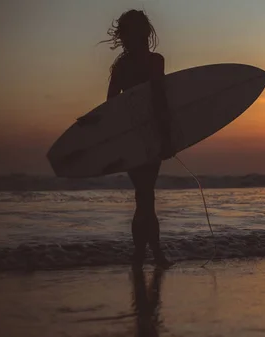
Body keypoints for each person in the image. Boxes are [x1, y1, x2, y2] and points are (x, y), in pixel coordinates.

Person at [101, 9, 175, 268]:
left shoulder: (123, 66)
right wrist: (167, 139)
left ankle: (143, 254)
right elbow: (159, 101)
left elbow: (112, 103)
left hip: (136, 137)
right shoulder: (155, 61)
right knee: (145, 196)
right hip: (147, 137)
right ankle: (152, 254)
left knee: (143, 196)